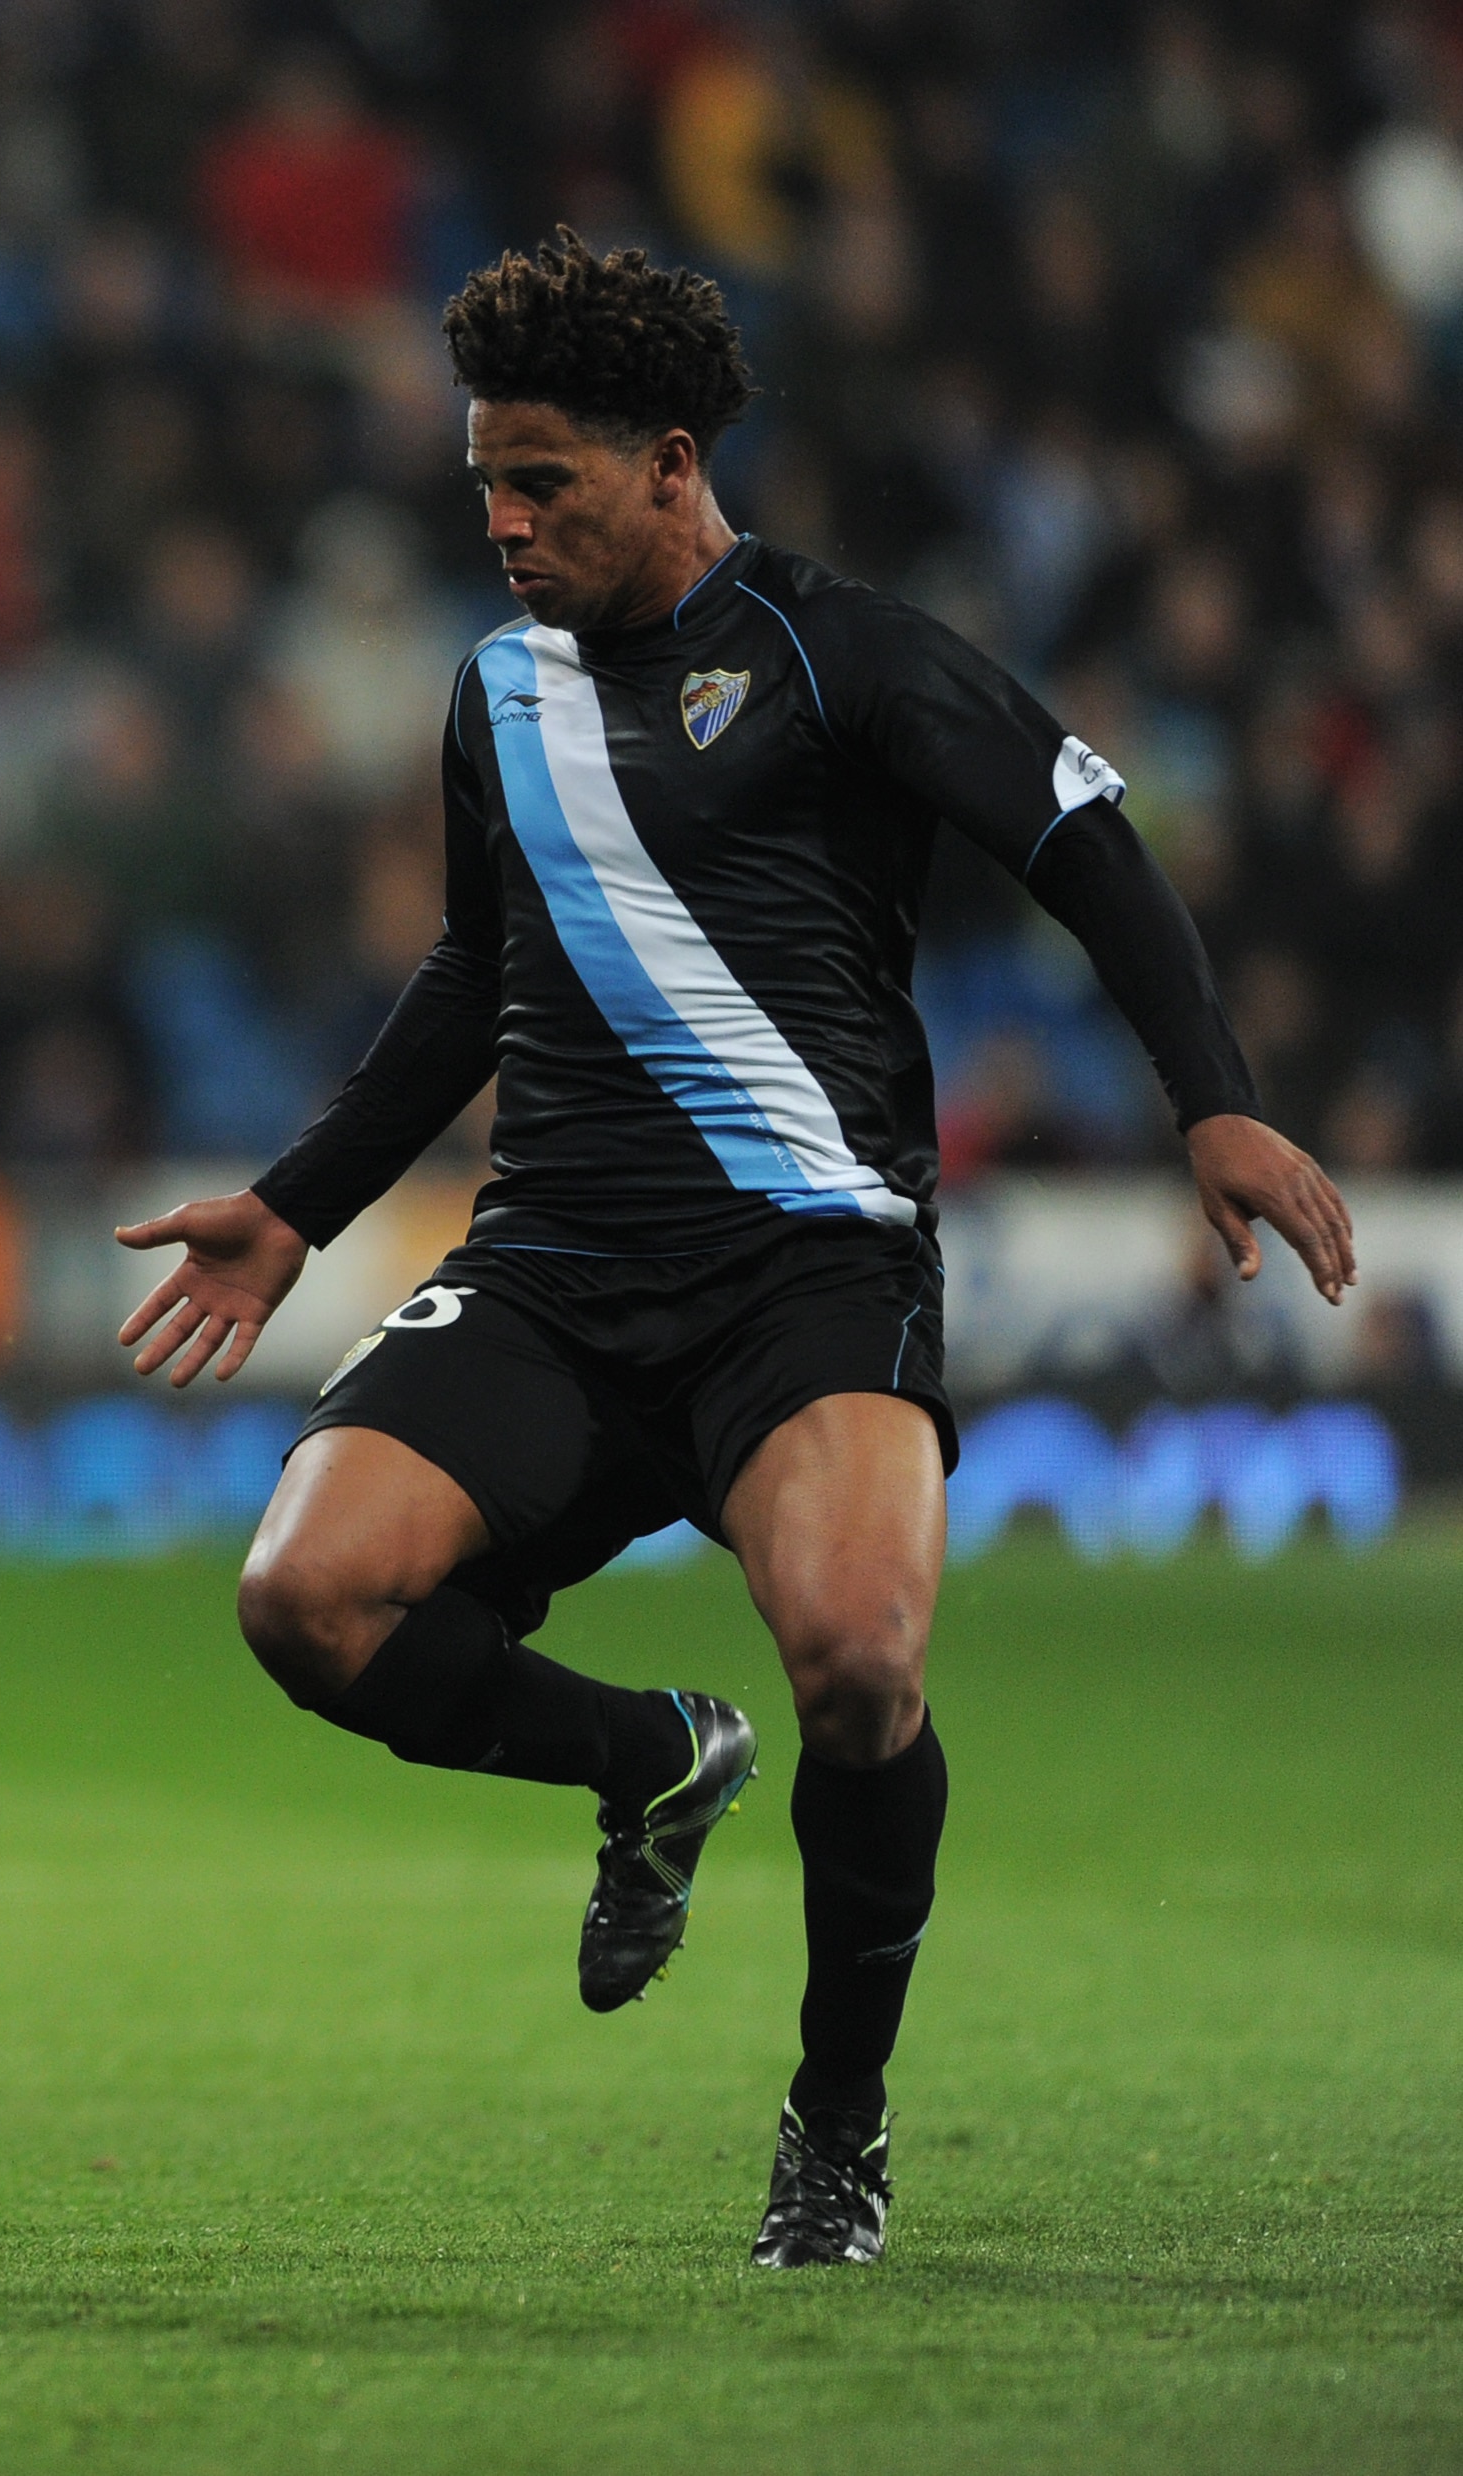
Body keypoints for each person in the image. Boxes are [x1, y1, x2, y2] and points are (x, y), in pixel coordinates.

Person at [114, 235, 1355, 2268]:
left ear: (667, 459)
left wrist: (1203, 1090)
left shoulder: (837, 650)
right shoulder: (491, 694)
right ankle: (650, 1755)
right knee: (301, 1599)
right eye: (481, 487)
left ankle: (833, 2121)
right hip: (547, 1266)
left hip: (805, 1263)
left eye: (543, 486)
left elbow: (1081, 837)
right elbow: (473, 965)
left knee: (861, 1665)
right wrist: (299, 1201)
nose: (500, 526)